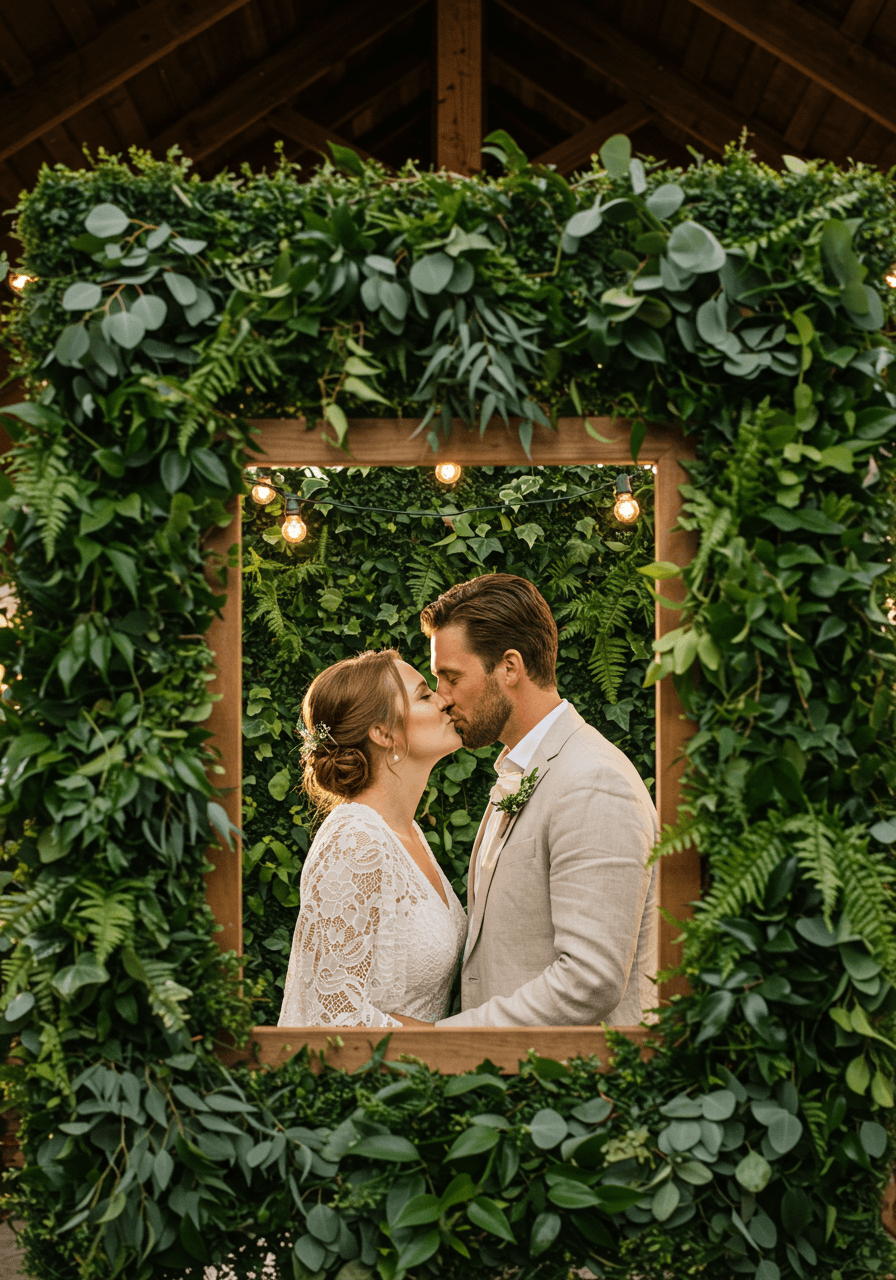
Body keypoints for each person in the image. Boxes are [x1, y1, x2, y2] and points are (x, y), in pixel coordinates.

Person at [420, 573, 658, 1028]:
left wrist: (446, 1038)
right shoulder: (520, 771)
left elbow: (590, 980)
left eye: (451, 677)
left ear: (510, 667)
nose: (442, 699)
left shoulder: (593, 782)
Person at [278, 649, 466, 1028]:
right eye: (425, 695)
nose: (445, 700)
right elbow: (333, 1018)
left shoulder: (408, 834)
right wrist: (460, 1047)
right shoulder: (354, 841)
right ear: (383, 733)